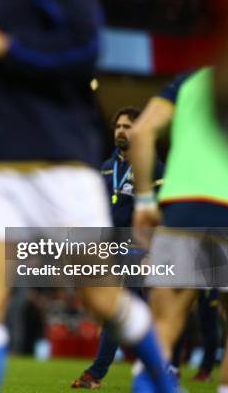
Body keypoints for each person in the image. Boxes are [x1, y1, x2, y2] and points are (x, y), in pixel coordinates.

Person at [0, 0, 175, 392]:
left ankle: (163, 380)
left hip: (61, 163)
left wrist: (5, 47)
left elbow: (84, 48)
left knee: (103, 299)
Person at [130, 67, 228, 393]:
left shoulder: (190, 78)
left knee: (162, 325)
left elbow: (142, 132)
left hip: (184, 213)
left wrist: (144, 200)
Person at [72, 107, 165, 389]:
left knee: (119, 311)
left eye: (128, 126)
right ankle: (160, 367)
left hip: (135, 248)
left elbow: (161, 213)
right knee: (119, 312)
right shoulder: (105, 167)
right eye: (118, 126)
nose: (121, 131)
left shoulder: (153, 168)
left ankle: (96, 373)